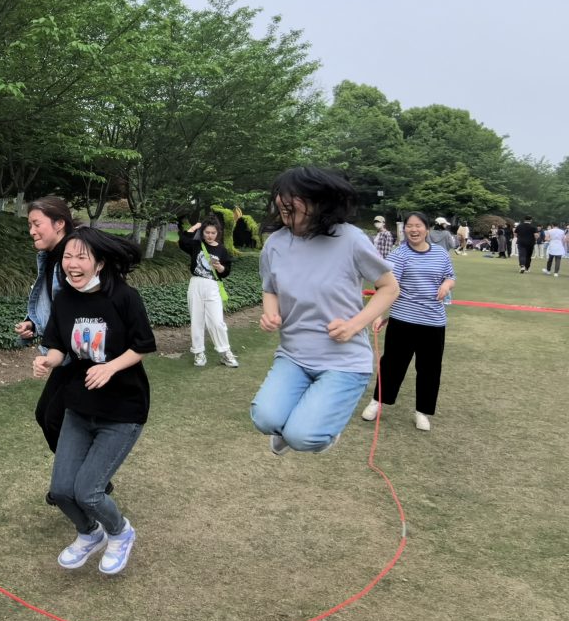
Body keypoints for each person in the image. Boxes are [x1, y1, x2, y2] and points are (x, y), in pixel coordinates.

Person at [32, 227, 156, 575]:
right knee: (61, 490)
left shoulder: (124, 297)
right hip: (80, 406)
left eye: (81, 257)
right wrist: (48, 361)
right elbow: (58, 346)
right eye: (67, 257)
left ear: (99, 263)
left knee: (88, 492)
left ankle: (120, 533)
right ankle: (90, 533)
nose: (72, 264)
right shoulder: (65, 299)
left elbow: (143, 345)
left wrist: (109, 368)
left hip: (122, 411)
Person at [251, 167, 399, 455]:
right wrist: (271, 313)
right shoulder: (275, 244)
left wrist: (355, 325)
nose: (284, 203)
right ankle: (297, 427)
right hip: (294, 355)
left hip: (343, 361)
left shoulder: (351, 239)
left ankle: (316, 432)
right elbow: (270, 288)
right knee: (264, 418)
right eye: (282, 197)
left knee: (303, 437)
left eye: (293, 198)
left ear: (318, 200)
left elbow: (389, 288)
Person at [361, 212, 456, 432]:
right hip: (403, 319)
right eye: (410, 226)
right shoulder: (398, 255)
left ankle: (422, 411)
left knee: (430, 369)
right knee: (392, 364)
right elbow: (386, 288)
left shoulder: (441, 254)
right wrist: (378, 314)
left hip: (434, 322)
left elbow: (450, 275)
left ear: (427, 228)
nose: (414, 230)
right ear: (405, 230)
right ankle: (377, 402)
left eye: (418, 226)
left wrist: (446, 285)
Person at [14, 196, 75, 455]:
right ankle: (77, 478)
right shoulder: (49, 257)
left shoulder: (73, 258)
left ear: (59, 223)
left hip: (82, 353)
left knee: (53, 417)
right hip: (64, 352)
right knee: (46, 415)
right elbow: (56, 306)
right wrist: (34, 325)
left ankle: (86, 481)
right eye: (29, 225)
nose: (31, 231)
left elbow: (79, 307)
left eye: (36, 223)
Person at [178, 217, 239, 367]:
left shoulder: (222, 249)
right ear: (202, 232)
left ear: (218, 233)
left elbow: (226, 272)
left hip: (212, 286)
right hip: (196, 283)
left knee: (217, 322)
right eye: (207, 232)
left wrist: (219, 267)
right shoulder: (197, 245)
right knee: (196, 320)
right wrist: (195, 226)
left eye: (213, 232)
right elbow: (182, 240)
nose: (210, 235)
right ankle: (199, 353)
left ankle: (226, 353)